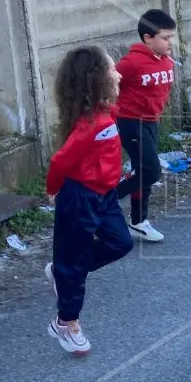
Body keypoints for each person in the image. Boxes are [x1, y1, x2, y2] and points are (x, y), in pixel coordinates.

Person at [44, 46, 135, 355]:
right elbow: (60, 162)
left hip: (105, 196)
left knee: (121, 243)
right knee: (73, 262)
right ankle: (66, 323)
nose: (118, 73)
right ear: (96, 80)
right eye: (112, 70)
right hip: (80, 198)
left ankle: (64, 272)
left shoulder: (107, 113)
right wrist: (53, 189)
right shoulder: (88, 125)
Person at [114, 9, 177, 243]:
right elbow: (109, 87)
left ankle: (139, 221)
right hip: (130, 122)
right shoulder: (130, 63)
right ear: (148, 37)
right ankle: (104, 202)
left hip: (152, 122)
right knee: (151, 171)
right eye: (165, 37)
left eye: (171, 37)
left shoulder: (166, 60)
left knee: (142, 173)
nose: (170, 42)